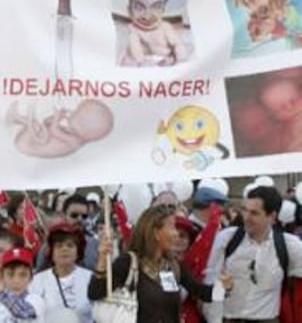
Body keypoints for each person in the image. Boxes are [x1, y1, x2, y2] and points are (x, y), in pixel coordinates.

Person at [88, 205, 233, 323]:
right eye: (172, 227)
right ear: (156, 233)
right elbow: (95, 293)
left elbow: (202, 293)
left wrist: (224, 287)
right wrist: (102, 259)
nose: (176, 233)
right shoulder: (128, 263)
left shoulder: (174, 267)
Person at [203, 185, 302, 323]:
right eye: (245, 210)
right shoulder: (228, 238)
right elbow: (211, 283)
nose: (246, 217)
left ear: (272, 217)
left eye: (254, 213)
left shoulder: (289, 245)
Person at [30, 222, 93, 323]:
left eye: (70, 245)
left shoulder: (90, 278)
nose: (65, 249)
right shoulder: (38, 280)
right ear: (51, 252)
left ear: (78, 252)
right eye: (59, 246)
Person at [119, 0, 188, 67]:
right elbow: (136, 52)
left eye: (156, 7)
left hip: (166, 59)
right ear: (129, 11)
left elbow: (178, 45)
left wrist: (179, 60)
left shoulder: (165, 27)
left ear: (163, 10)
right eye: (139, 7)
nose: (147, 15)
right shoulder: (132, 29)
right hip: (145, 62)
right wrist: (143, 62)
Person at [7, 99, 114, 158]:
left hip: (29, 144)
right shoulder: (75, 136)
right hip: (36, 139)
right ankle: (16, 119)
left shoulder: (75, 141)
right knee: (38, 125)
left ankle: (15, 116)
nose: (71, 112)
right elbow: (49, 127)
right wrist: (56, 119)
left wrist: (57, 117)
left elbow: (54, 130)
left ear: (83, 126)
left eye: (76, 113)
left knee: (35, 125)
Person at [0, 247, 44, 323]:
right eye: (10, 274)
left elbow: (22, 311)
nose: (16, 280)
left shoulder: (36, 301)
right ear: (2, 277)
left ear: (31, 278)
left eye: (23, 275)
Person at [259, 77, 302, 152]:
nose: (290, 108)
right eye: (282, 107)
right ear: (276, 115)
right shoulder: (283, 130)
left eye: (293, 101)